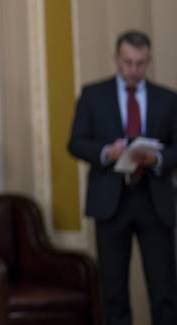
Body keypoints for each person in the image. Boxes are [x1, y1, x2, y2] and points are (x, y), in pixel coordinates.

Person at [68, 30, 177, 325]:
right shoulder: (93, 95)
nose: (133, 69)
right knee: (113, 291)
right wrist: (107, 152)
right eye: (128, 62)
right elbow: (76, 142)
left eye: (140, 63)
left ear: (149, 60)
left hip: (155, 202)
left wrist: (157, 158)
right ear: (116, 59)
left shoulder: (167, 98)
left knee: (165, 289)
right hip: (111, 201)